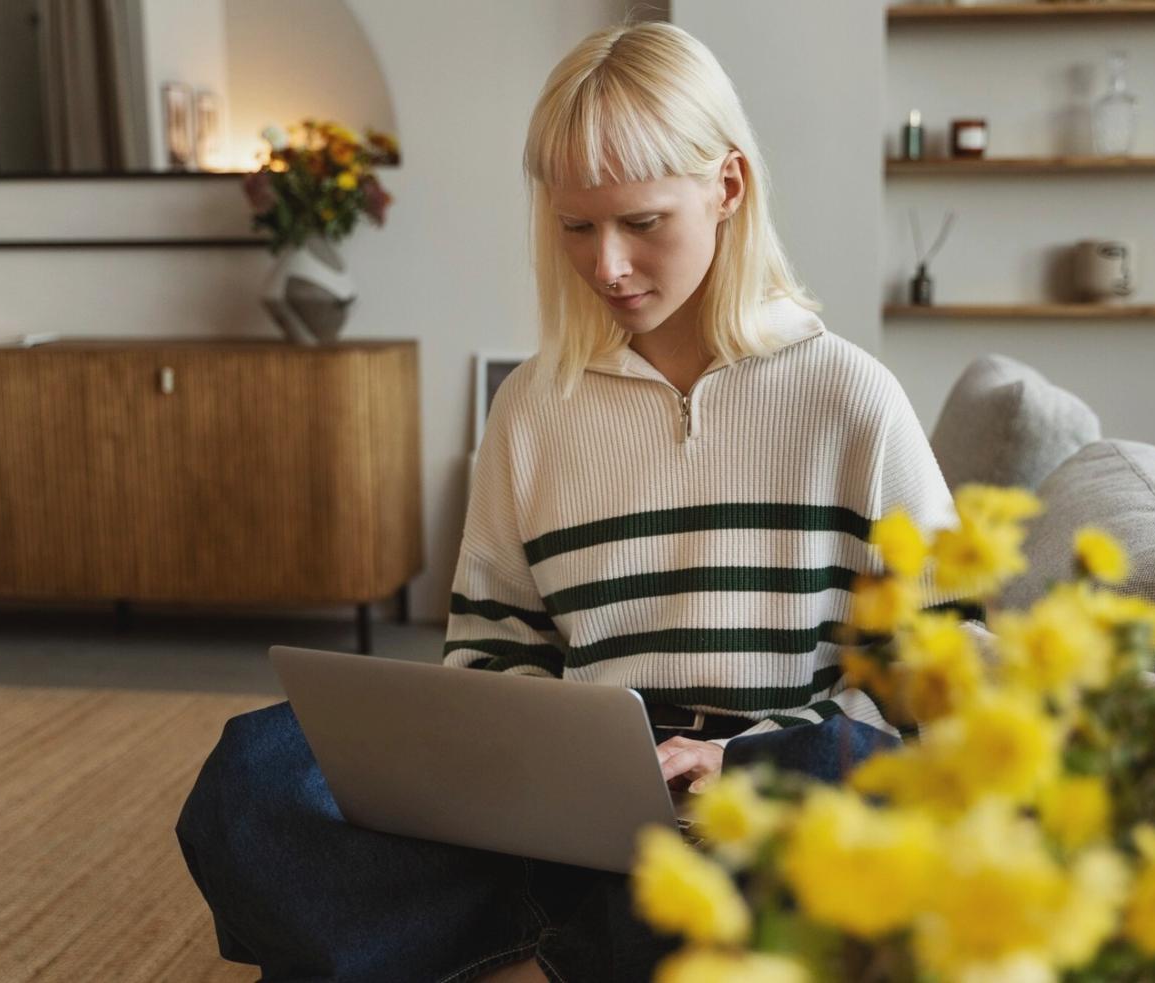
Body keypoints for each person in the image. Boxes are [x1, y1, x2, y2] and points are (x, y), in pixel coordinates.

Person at [176, 19, 963, 983]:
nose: (607, 267)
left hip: (756, 804)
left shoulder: (852, 399)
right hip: (575, 806)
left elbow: (946, 676)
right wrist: (541, 768)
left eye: (642, 223)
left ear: (727, 187)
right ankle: (568, 944)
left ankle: (518, 949)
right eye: (577, 228)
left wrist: (752, 763)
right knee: (258, 773)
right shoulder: (532, 408)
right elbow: (492, 649)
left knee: (835, 808)